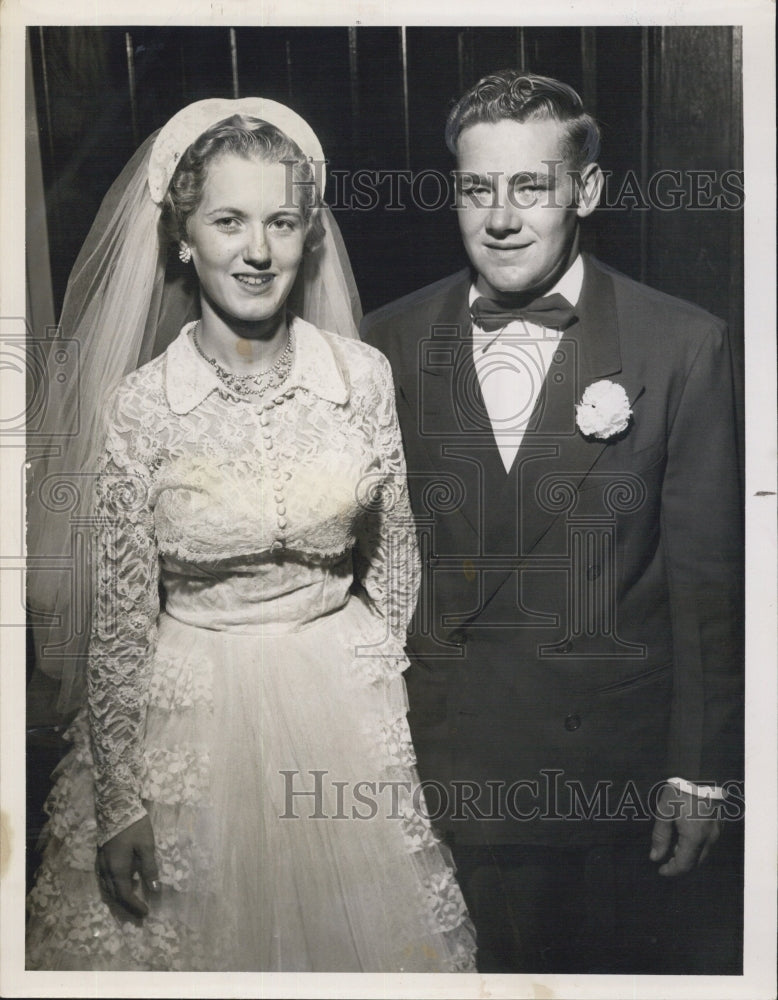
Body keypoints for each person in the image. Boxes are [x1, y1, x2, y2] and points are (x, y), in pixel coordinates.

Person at [25, 98, 475, 972]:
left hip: (345, 703)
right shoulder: (141, 409)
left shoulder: (361, 377)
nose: (258, 250)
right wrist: (120, 800)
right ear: (184, 237)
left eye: (281, 222)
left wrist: (392, 714)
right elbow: (119, 620)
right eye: (228, 220)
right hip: (189, 712)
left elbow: (395, 566)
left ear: (310, 238)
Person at [361, 71, 744, 973]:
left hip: (605, 776)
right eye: (475, 188)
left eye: (530, 185)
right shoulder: (386, 340)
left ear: (588, 190)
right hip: (438, 763)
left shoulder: (681, 344)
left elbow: (707, 586)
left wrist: (700, 771)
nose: (501, 217)